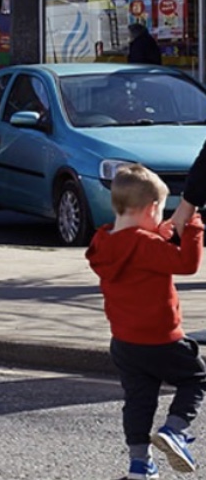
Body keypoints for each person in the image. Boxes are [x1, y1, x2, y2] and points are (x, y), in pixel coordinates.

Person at [88, 164, 205, 478]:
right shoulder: (145, 245)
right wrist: (193, 225)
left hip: (125, 343)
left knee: (139, 400)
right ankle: (175, 430)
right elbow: (187, 263)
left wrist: (165, 231)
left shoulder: (105, 242)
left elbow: (144, 245)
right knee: (196, 378)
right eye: (160, 212)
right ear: (153, 207)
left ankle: (140, 464)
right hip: (162, 338)